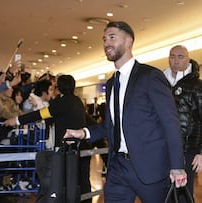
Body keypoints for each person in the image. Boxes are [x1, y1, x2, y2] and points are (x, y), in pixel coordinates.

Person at [63, 21, 187, 203]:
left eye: (112, 37)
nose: (106, 43)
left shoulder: (150, 76)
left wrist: (177, 166)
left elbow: (170, 122)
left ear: (129, 41)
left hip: (150, 169)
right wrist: (83, 133)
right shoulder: (112, 83)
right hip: (118, 167)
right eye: (104, 39)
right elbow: (111, 125)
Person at [3, 74, 92, 202]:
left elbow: (40, 114)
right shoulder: (77, 102)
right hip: (80, 148)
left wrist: (16, 120)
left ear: (59, 88)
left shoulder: (61, 103)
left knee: (59, 184)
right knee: (79, 183)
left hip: (65, 152)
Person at [164, 45, 202, 202]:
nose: (176, 60)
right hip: (162, 148)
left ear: (188, 59)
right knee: (165, 192)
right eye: (172, 56)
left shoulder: (197, 86)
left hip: (186, 150)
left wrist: (200, 152)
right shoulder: (162, 83)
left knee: (184, 195)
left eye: (180, 57)